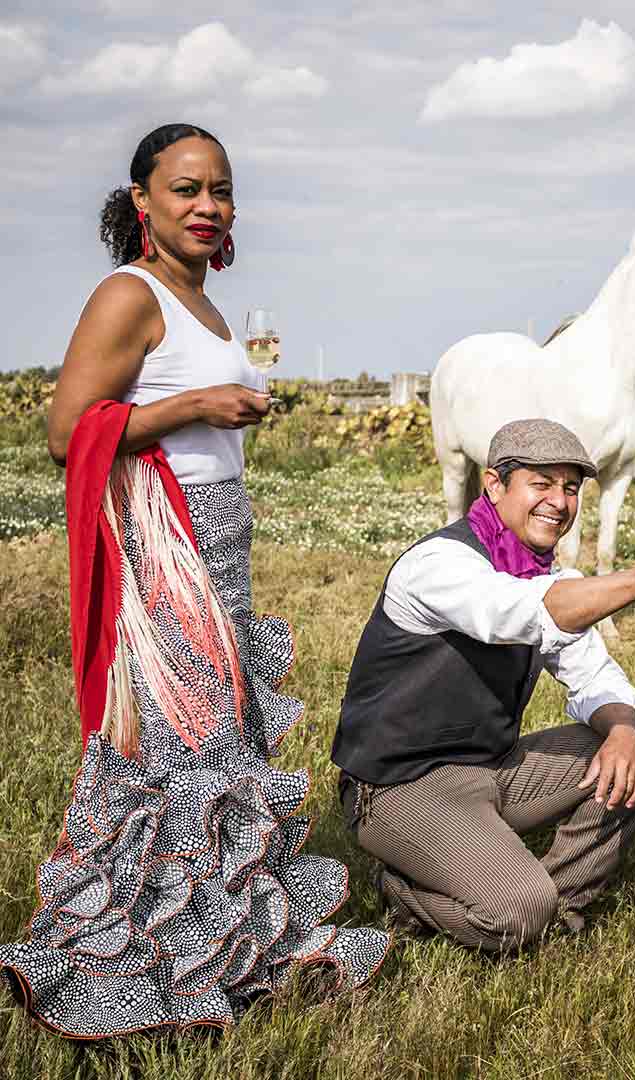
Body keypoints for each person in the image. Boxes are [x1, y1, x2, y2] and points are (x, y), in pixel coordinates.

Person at [0, 124, 389, 1039]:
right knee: (184, 749)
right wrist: (195, 405)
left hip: (222, 540)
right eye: (185, 190)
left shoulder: (208, 306)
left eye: (220, 190)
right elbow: (67, 432)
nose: (207, 206)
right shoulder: (128, 296)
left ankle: (221, 946)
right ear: (143, 202)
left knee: (222, 741)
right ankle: (141, 961)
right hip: (162, 545)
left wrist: (217, 411)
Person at [333, 418, 635, 951]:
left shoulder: (548, 576)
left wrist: (621, 732)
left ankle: (558, 907)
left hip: (492, 769)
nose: (560, 502)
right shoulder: (437, 564)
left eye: (570, 488)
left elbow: (592, 673)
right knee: (518, 909)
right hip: (398, 787)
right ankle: (407, 892)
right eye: (541, 484)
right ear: (495, 486)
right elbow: (517, 612)